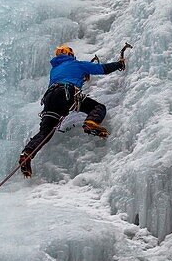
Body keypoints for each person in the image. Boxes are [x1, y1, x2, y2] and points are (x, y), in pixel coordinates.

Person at [19, 45, 125, 178]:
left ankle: (27, 153)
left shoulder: (55, 69)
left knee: (45, 132)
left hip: (49, 99)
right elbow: (102, 69)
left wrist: (81, 76)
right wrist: (119, 64)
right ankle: (91, 121)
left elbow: (70, 75)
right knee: (98, 108)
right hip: (66, 93)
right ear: (70, 55)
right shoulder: (76, 64)